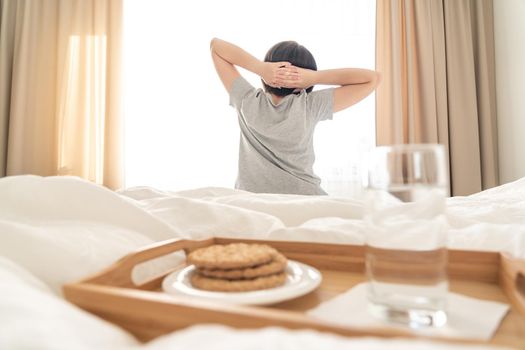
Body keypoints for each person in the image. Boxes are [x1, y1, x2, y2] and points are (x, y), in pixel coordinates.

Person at [210, 38, 380, 195]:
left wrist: (260, 68)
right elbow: (372, 79)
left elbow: (216, 46)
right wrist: (314, 77)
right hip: (305, 199)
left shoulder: (246, 100)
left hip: (251, 200)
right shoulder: (310, 105)